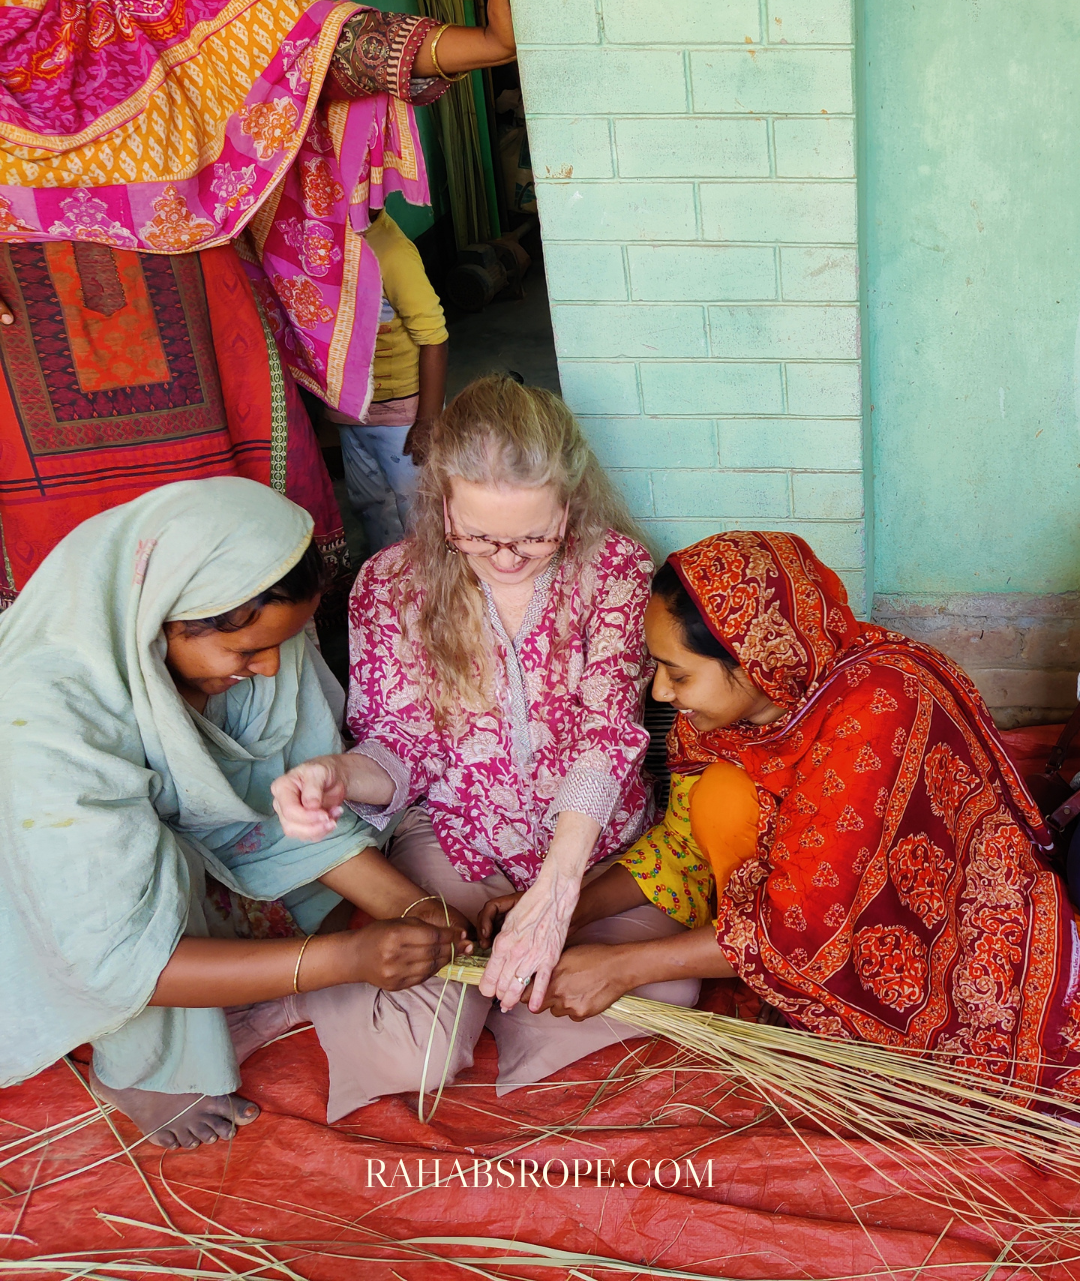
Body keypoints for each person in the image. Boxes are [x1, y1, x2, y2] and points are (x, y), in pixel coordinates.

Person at [0, 0, 514, 607]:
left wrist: (486, 44)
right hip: (26, 367)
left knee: (236, 579)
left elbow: (303, 51)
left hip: (197, 336)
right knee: (61, 601)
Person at [270, 375, 700, 1117]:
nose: (506, 558)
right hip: (460, 838)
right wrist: (340, 774)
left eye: (535, 536)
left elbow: (606, 733)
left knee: (665, 989)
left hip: (588, 843)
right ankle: (477, 985)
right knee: (424, 1052)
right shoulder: (391, 585)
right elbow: (400, 747)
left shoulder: (616, 570)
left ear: (570, 504)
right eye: (479, 536)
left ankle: (498, 979)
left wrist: (560, 889)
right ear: (443, 506)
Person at [0, 477, 472, 1150]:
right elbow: (110, 957)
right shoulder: (44, 721)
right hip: (52, 895)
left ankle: (249, 964)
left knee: (320, 819)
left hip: (170, 850)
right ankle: (141, 1070)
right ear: (161, 618)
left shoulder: (255, 639)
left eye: (287, 641)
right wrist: (340, 960)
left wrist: (411, 904)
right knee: (157, 879)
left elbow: (280, 795)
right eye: (248, 651)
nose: (272, 666)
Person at [535, 532, 1080, 1099]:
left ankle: (815, 1001)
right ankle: (782, 986)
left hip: (931, 927)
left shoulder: (877, 708)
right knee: (719, 797)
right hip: (803, 910)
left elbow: (804, 926)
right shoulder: (721, 718)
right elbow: (682, 851)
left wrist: (622, 968)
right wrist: (561, 909)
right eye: (658, 668)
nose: (661, 691)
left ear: (753, 660)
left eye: (679, 673)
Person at [325, 209, 448, 553]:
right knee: (369, 504)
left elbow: (434, 338)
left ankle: (429, 588)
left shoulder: (392, 252)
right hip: (350, 411)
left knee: (420, 510)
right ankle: (388, 583)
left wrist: (427, 422)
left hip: (401, 416)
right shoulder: (323, 240)